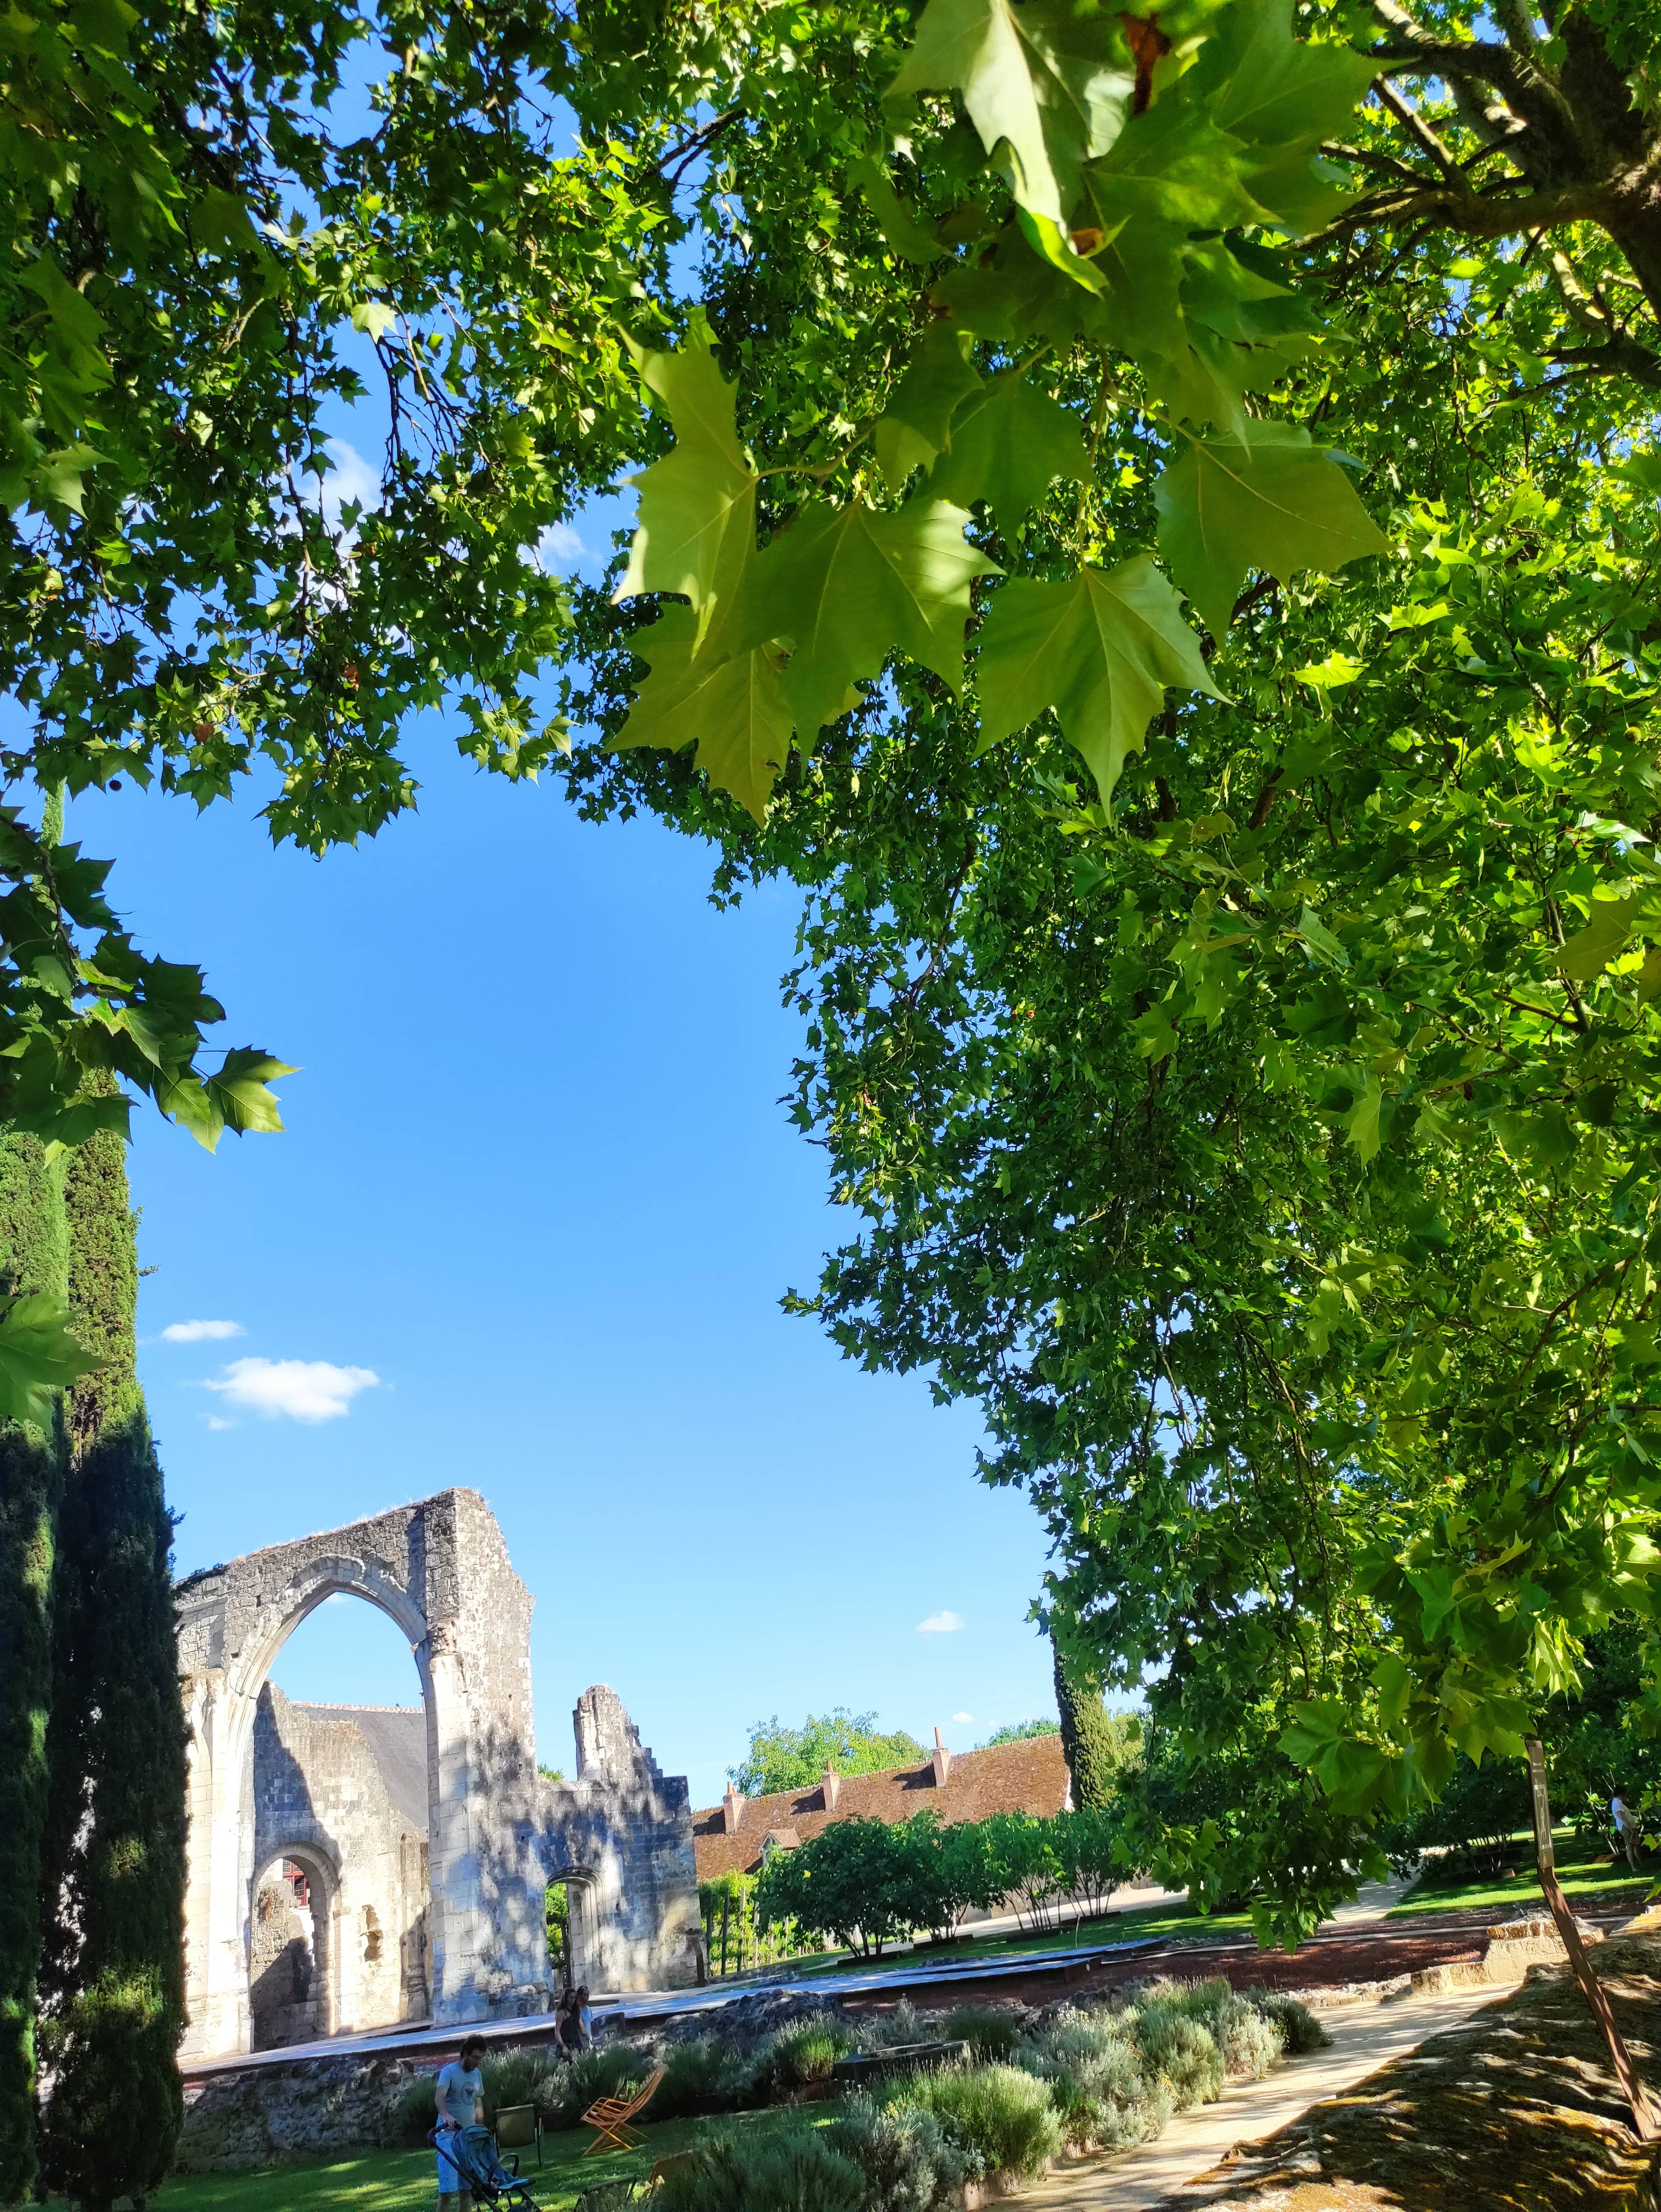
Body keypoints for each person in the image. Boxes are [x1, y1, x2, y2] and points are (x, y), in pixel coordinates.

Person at [434, 2033, 486, 2212]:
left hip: (467, 2138)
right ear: (465, 2053)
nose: (477, 2062)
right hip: (448, 2137)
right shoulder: (449, 2072)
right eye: (475, 2058)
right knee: (447, 2192)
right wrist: (445, 2114)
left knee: (467, 2191)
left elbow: (478, 2101)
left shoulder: (477, 2074)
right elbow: (439, 2096)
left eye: (481, 2059)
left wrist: (480, 2125)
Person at [1612, 1787, 1645, 1872]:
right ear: (1622, 1794)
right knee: (1630, 1846)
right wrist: (1630, 1829)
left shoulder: (1619, 1803)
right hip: (1625, 1827)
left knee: (1635, 1845)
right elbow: (1622, 1817)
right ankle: (1633, 1867)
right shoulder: (1617, 1803)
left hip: (1629, 1827)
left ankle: (1641, 1865)